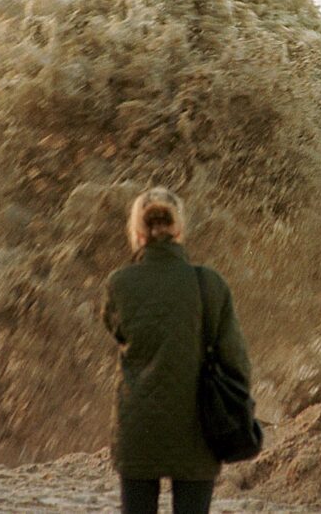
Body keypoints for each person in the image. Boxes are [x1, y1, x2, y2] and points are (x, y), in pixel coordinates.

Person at [102, 187, 253, 514]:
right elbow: (236, 361)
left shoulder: (119, 283)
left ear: (138, 232)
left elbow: (118, 330)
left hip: (137, 427)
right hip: (197, 426)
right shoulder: (209, 283)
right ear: (180, 230)